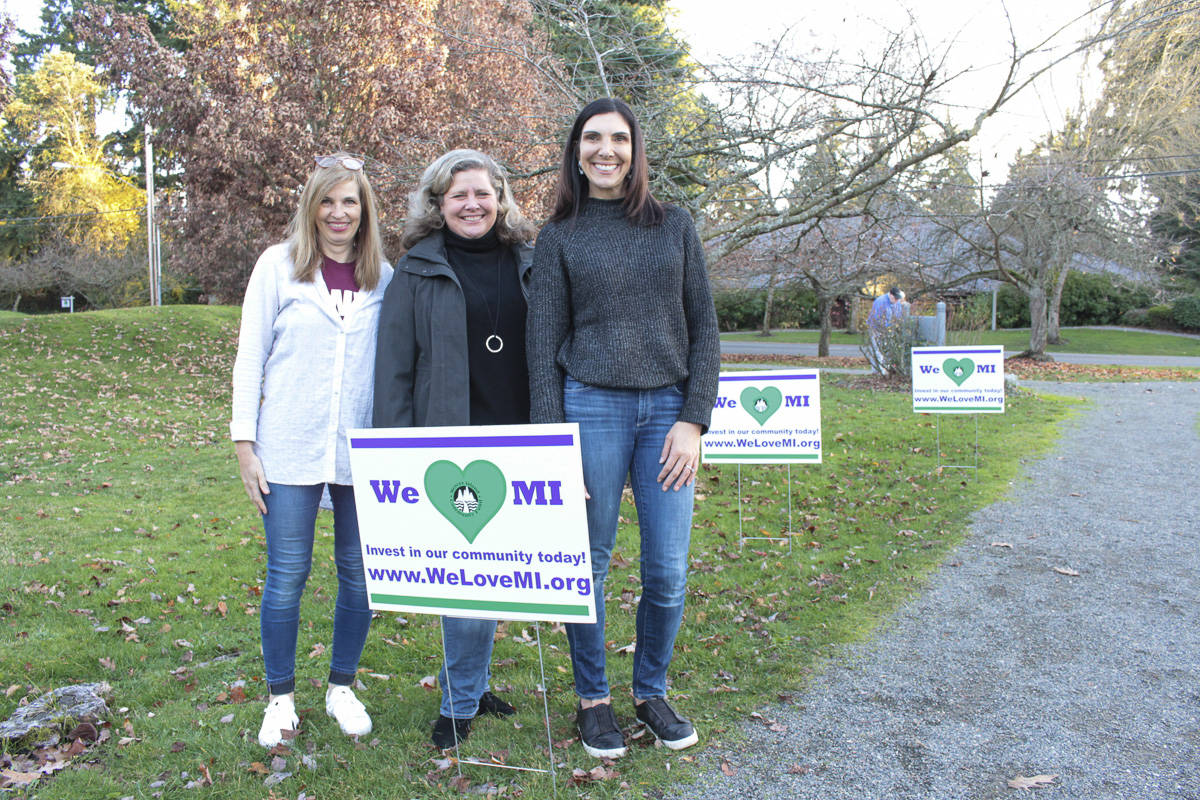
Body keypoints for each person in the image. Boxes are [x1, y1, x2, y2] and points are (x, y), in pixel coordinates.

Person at [526, 98, 721, 758]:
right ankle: (594, 700)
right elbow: (543, 343)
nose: (604, 150)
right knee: (589, 564)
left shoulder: (675, 226)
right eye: (592, 139)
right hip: (591, 410)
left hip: (667, 413)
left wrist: (694, 419)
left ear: (635, 150)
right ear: (575, 151)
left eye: (617, 139)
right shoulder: (559, 236)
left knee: (666, 569)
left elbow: (705, 329)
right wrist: (554, 446)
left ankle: (651, 691)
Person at [373, 149, 536, 749]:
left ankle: (470, 678)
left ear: (501, 198)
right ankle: (458, 702)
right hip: (449, 442)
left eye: (482, 193)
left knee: (493, 575)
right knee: (466, 577)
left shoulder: (531, 263)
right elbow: (393, 370)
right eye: (457, 195)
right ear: (438, 205)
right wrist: (394, 455)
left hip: (522, 439)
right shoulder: (415, 271)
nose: (472, 204)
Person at [231, 153, 392, 748]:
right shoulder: (278, 267)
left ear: (364, 208)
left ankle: (341, 687)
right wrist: (245, 444)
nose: (338, 212)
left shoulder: (385, 276)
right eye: (327, 200)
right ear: (311, 206)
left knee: (359, 574)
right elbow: (250, 358)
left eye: (350, 201)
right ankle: (280, 698)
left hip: (361, 451)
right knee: (287, 574)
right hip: (290, 445)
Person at [867, 286, 903, 370]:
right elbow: (876, 319)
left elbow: (898, 316)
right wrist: (883, 330)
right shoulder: (880, 301)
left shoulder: (897, 302)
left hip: (889, 330)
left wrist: (895, 327)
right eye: (895, 298)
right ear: (890, 295)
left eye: (898, 299)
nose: (897, 300)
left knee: (889, 351)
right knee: (878, 350)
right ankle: (877, 371)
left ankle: (887, 370)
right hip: (877, 329)